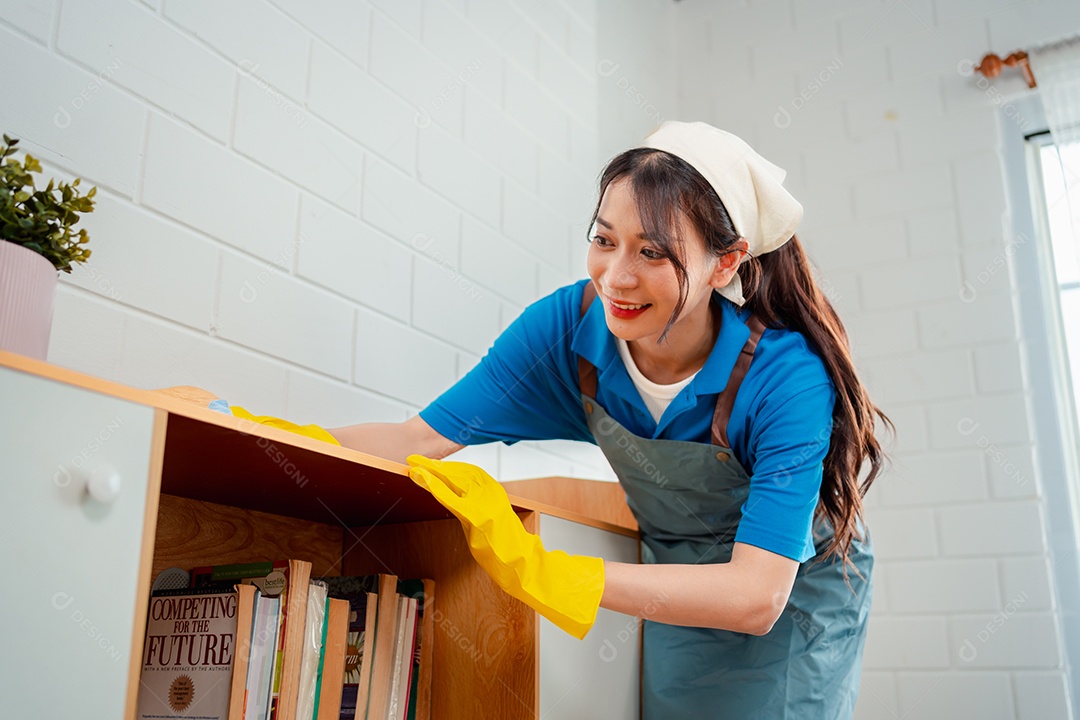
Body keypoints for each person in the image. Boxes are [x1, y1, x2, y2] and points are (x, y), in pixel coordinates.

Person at [329, 121, 891, 719]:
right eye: (604, 239)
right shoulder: (567, 332)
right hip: (678, 575)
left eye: (652, 252)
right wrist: (261, 436)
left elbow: (756, 597)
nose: (616, 278)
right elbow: (416, 438)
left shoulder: (784, 379)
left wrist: (555, 572)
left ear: (726, 262)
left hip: (792, 593)